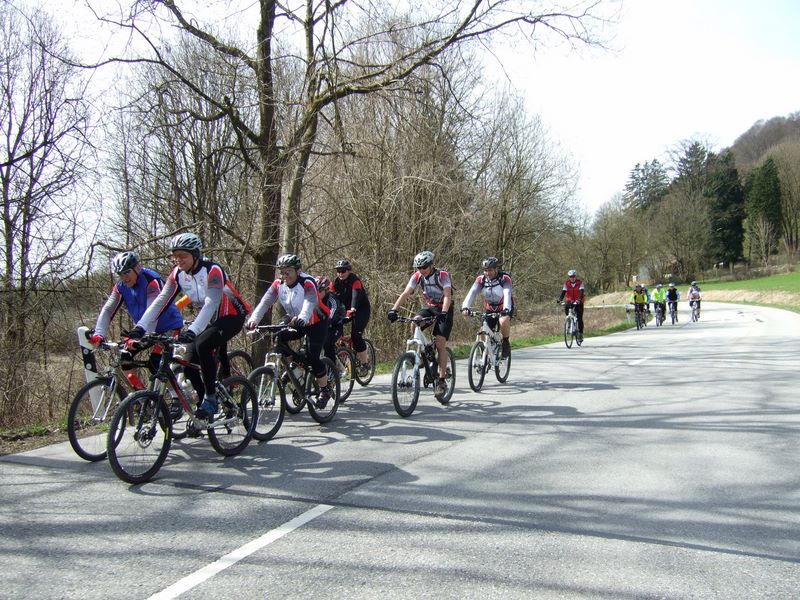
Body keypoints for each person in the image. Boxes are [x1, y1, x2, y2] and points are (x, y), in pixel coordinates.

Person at [126, 233, 250, 424]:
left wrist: (193, 330)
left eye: (183, 255)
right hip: (208, 318)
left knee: (203, 344)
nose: (178, 260)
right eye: (175, 256)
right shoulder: (178, 274)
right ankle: (203, 409)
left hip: (231, 315)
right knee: (188, 366)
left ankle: (211, 399)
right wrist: (140, 328)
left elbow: (211, 302)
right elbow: (160, 301)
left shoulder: (213, 270)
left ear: (195, 254)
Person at [246, 254, 333, 408]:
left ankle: (325, 389)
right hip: (294, 320)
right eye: (281, 272)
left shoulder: (307, 282)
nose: (284, 275)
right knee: (278, 338)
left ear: (298, 271)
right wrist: (253, 320)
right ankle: (295, 368)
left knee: (313, 356)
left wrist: (302, 317)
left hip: (316, 321)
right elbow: (265, 303)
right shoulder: (278, 284)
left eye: (288, 272)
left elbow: (309, 301)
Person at [90, 250, 184, 384]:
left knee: (155, 363)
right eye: (120, 274)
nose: (124, 278)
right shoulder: (121, 286)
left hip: (168, 326)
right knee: (125, 357)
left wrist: (138, 335)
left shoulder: (151, 280)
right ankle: (140, 395)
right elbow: (108, 309)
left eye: (127, 272)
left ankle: (175, 395)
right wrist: (99, 334)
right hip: (143, 330)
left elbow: (153, 312)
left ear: (137, 268)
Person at [387, 250, 453, 398]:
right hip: (430, 307)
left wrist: (444, 312)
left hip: (445, 309)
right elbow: (405, 293)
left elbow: (447, 295)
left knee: (440, 343)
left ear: (431, 265)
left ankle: (441, 381)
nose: (421, 270)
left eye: (424, 267)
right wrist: (393, 310)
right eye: (419, 268)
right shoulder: (417, 276)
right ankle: (424, 353)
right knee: (414, 322)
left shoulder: (442, 275)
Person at [460, 256, 513, 357]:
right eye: (485, 270)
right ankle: (486, 356)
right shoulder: (481, 280)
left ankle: (506, 343)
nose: (488, 273)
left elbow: (507, 293)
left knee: (503, 321)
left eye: (490, 270)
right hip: (490, 308)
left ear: (496, 269)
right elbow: (472, 293)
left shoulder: (504, 278)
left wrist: (506, 309)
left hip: (504, 307)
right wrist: (465, 307)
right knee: (482, 332)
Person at [332, 259, 372, 369]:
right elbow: (329, 297)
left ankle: (365, 363)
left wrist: (353, 308)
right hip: (345, 310)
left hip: (361, 310)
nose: (340, 273)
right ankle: (345, 355)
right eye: (338, 271)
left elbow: (356, 295)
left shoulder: (355, 281)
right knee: (333, 334)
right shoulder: (335, 282)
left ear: (349, 271)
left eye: (343, 271)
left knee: (356, 336)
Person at [317, 276, 345, 366]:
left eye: (319, 291)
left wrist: (323, 324)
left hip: (335, 326)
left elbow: (331, 316)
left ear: (326, 290)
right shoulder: (313, 300)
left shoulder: (332, 300)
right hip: (322, 326)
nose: (317, 294)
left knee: (327, 343)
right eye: (315, 291)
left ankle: (333, 369)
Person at [557, 269, 585, 336]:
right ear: (569, 277)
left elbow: (581, 292)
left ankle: (580, 333)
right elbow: (563, 292)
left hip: (579, 301)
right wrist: (560, 299)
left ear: (576, 276)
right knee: (567, 313)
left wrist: (579, 299)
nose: (572, 278)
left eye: (573, 276)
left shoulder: (580, 283)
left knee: (579, 318)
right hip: (570, 301)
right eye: (570, 277)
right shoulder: (566, 284)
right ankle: (569, 323)